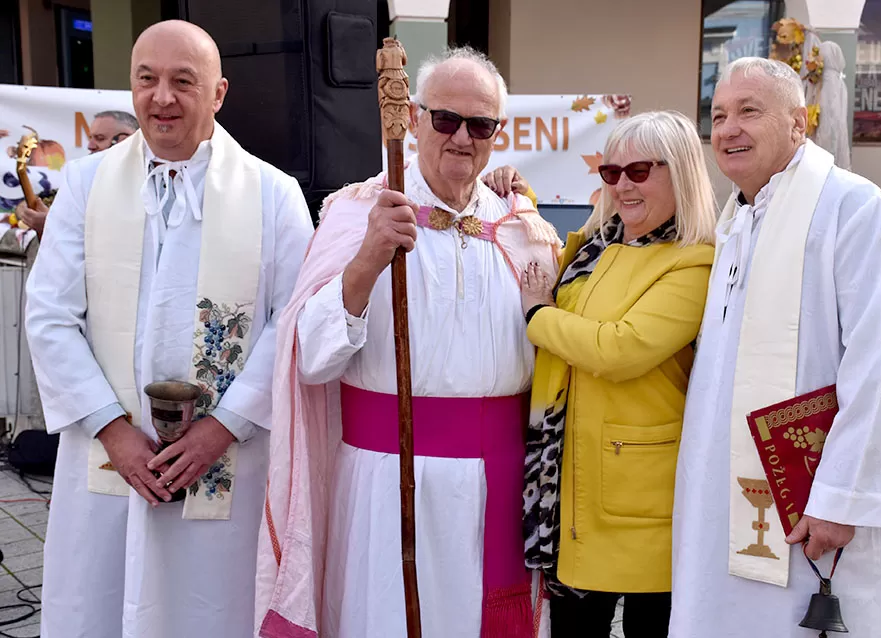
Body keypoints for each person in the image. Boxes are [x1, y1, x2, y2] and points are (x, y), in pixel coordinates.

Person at [255, 46, 560, 638]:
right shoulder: (360, 213)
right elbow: (310, 360)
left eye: (480, 125)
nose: (461, 138)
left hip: (498, 485)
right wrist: (369, 259)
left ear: (498, 133)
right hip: (384, 483)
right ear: (414, 117)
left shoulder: (522, 228)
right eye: (445, 119)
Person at [25, 20, 313, 638]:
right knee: (99, 605)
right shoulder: (83, 184)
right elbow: (49, 316)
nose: (162, 97)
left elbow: (290, 324)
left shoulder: (273, 194)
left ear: (218, 93)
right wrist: (112, 430)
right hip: (107, 458)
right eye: (147, 79)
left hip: (222, 462)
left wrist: (220, 429)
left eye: (184, 81)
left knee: (208, 612)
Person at [669, 57, 881, 637]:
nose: (728, 128)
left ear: (798, 124)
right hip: (727, 493)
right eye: (719, 114)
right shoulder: (736, 221)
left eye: (749, 111)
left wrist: (840, 497)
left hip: (815, 508)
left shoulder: (853, 208)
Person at [519, 111, 715, 638]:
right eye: (610, 173)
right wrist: (514, 195)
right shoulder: (598, 241)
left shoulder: (694, 261)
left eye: (639, 171)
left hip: (639, 497)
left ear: (680, 172)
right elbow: (552, 270)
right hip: (570, 486)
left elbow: (620, 349)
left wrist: (539, 316)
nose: (623, 184)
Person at [13, 111, 138, 241]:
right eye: (90, 138)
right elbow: (51, 201)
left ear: (125, 140)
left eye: (100, 138)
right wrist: (28, 209)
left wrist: (53, 225)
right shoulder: (86, 177)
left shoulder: (143, 181)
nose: (91, 146)